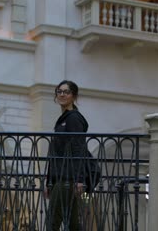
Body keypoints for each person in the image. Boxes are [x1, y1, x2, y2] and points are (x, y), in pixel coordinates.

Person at [46, 80, 89, 231]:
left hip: (68, 179)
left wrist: (79, 180)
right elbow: (56, 153)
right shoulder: (64, 119)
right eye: (59, 91)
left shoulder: (73, 118)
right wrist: (49, 182)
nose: (62, 94)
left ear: (74, 96)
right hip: (61, 178)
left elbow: (79, 148)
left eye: (66, 91)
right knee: (71, 223)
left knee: (52, 221)